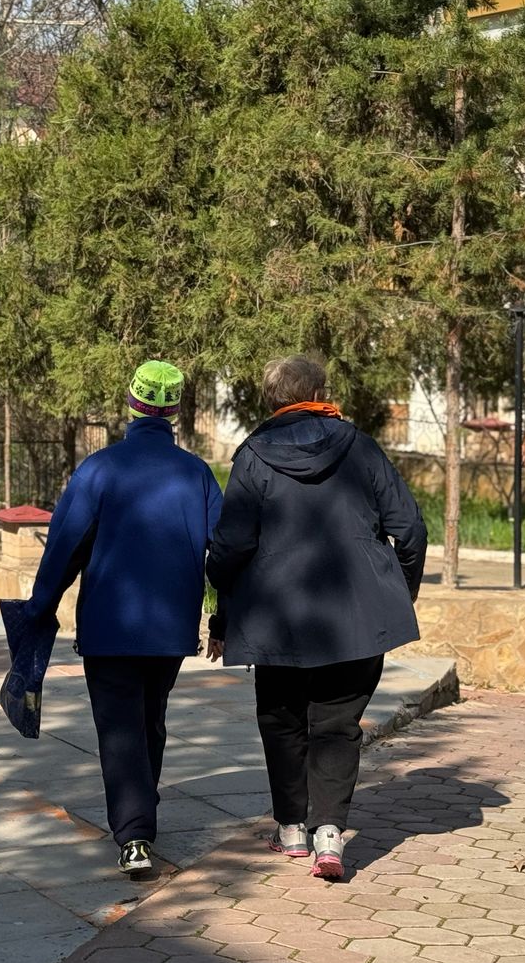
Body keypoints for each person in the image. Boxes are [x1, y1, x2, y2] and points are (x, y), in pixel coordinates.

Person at [206, 355, 426, 880]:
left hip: (276, 620)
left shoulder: (253, 456)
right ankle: (330, 834)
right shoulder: (361, 447)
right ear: (321, 393)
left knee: (281, 720)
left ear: (271, 399)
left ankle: (291, 830)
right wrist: (397, 593)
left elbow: (231, 546)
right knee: (337, 724)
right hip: (356, 619)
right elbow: (410, 530)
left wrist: (222, 607)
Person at [24, 360, 222, 875]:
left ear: (131, 403)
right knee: (150, 717)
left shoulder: (100, 468)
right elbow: (224, 549)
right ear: (174, 410)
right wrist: (221, 612)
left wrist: (40, 606)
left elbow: (65, 546)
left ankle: (134, 834)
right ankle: (141, 811)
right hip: (170, 627)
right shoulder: (197, 473)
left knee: (119, 727)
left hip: (109, 624)